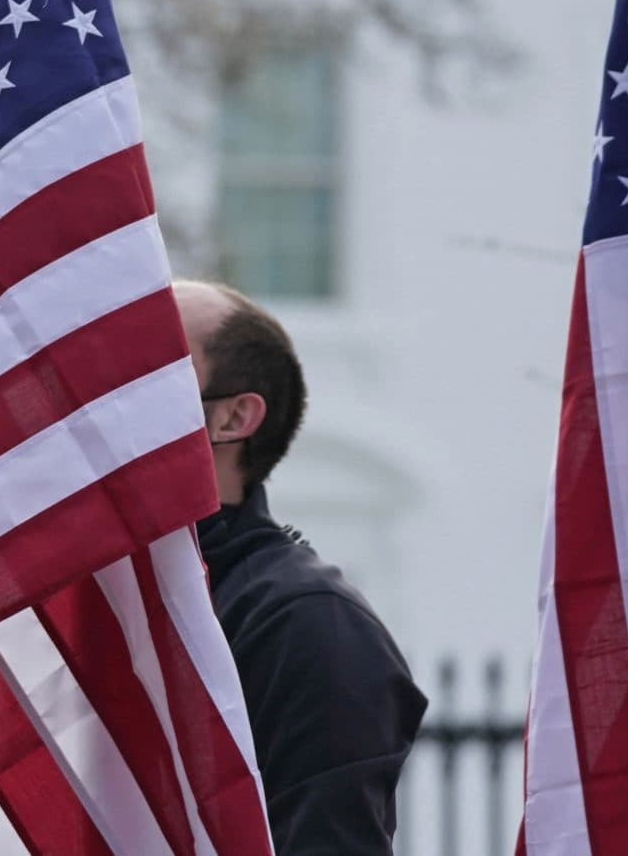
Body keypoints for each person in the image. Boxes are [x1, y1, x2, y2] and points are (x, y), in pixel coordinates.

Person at [176, 279, 429, 854]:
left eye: (149, 363)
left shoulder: (307, 624)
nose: (104, 387)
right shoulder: (67, 592)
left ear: (233, 417)